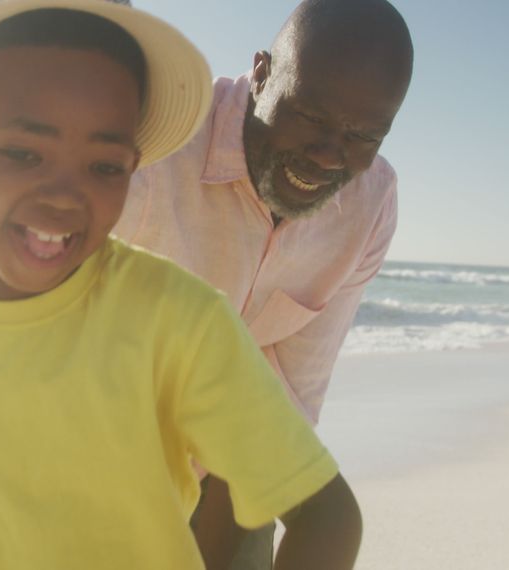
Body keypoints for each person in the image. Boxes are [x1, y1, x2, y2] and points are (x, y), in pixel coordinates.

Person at [0, 1, 361, 569]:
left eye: (103, 166)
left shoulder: (181, 322)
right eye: (22, 153)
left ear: (135, 165)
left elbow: (326, 512)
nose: (63, 195)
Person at [113, 0, 414, 566]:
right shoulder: (159, 141)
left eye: (363, 136)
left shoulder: (372, 203)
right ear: (261, 74)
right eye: (311, 117)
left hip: (235, 449)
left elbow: (294, 393)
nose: (329, 156)